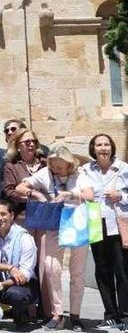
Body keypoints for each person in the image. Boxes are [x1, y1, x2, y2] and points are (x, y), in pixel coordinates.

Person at [16, 145, 91, 330]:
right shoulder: (45, 174)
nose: (56, 169)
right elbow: (20, 187)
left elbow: (90, 195)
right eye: (53, 165)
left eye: (60, 165)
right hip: (54, 223)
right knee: (50, 267)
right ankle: (58, 314)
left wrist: (69, 194)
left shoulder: (79, 175)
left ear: (68, 163)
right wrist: (36, 193)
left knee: (78, 272)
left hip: (77, 223)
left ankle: (75, 315)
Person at [79, 133, 128, 329]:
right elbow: (80, 190)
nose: (103, 148)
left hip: (118, 225)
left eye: (106, 144)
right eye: (99, 145)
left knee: (122, 271)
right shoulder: (85, 170)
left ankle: (124, 315)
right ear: (93, 148)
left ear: (112, 147)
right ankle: (110, 314)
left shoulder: (123, 168)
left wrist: (121, 196)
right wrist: (84, 193)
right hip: (95, 223)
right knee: (102, 270)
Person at [0, 200, 38, 330]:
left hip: (21, 285)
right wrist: (10, 268)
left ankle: (20, 317)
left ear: (12, 216)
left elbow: (24, 275)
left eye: (3, 214)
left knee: (15, 294)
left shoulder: (25, 238)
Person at [2, 128, 47, 221]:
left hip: (46, 212)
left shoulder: (45, 163)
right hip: (23, 214)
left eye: (34, 141)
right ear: (18, 147)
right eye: (27, 142)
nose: (31, 144)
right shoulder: (11, 166)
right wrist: (31, 198)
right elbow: (10, 192)